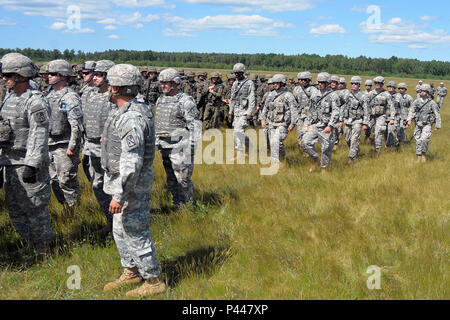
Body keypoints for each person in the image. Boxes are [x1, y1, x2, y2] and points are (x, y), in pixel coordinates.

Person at [102, 63, 165, 297]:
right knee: (120, 230)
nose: (107, 87)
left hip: (131, 186)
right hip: (123, 182)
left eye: (110, 83)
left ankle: (153, 280)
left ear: (117, 87)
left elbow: (132, 161)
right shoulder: (125, 111)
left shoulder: (132, 118)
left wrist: (120, 194)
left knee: (135, 230)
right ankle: (131, 271)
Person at [0, 52, 55, 255]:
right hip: (9, 162)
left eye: (8, 75)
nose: (4, 79)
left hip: (27, 164)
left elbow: (38, 134)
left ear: (21, 76)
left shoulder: (35, 102)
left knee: (35, 208)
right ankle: (30, 244)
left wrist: (31, 165)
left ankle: (43, 248)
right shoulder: (9, 99)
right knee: (14, 208)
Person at [154, 68, 201, 206]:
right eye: (161, 83)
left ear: (175, 83)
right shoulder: (160, 100)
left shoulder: (185, 101)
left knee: (183, 180)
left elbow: (195, 124)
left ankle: (187, 207)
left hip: (180, 148)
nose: (162, 85)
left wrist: (191, 147)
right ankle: (177, 203)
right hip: (164, 147)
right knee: (171, 179)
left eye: (166, 83)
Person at [81, 60, 115, 234]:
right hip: (90, 146)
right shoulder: (89, 94)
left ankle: (116, 224)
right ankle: (110, 220)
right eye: (94, 74)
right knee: (97, 185)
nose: (94, 77)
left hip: (108, 149)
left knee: (109, 185)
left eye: (99, 74)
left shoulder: (114, 97)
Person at [46, 59, 83, 215]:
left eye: (52, 74)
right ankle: (65, 207)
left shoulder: (70, 97)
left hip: (64, 145)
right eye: (48, 74)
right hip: (49, 144)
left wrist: (72, 147)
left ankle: (74, 211)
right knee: (53, 181)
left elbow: (77, 125)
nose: (48, 76)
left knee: (66, 180)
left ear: (62, 76)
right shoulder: (49, 95)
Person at [302, 72, 340, 171]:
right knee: (305, 142)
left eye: (322, 82)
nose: (319, 84)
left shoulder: (333, 95)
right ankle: (316, 159)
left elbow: (336, 111)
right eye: (318, 82)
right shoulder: (315, 94)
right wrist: (309, 123)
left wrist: (330, 126)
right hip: (315, 124)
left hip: (326, 126)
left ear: (327, 83)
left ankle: (324, 168)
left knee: (326, 148)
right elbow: (310, 109)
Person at [260, 74, 296, 161]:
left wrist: (292, 124)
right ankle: (276, 162)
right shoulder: (270, 95)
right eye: (274, 83)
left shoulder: (288, 95)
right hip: (272, 123)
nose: (275, 84)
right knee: (272, 144)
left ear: (282, 83)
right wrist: (263, 120)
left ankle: (282, 158)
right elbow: (265, 108)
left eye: (277, 83)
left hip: (283, 124)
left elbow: (294, 110)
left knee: (276, 142)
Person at [338, 76, 369, 163]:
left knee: (355, 139)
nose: (354, 85)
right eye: (352, 83)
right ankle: (356, 149)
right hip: (348, 120)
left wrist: (365, 123)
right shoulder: (347, 95)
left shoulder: (363, 96)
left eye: (356, 84)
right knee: (347, 138)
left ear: (359, 85)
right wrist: (341, 120)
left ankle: (351, 158)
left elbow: (366, 110)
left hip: (358, 121)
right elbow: (343, 107)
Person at [407, 84, 441, 162]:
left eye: (424, 91)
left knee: (424, 139)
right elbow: (412, 110)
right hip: (418, 123)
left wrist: (437, 125)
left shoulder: (432, 103)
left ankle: (423, 154)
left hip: (427, 124)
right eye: (421, 91)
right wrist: (409, 120)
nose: (423, 92)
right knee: (418, 140)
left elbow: (437, 114)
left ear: (428, 92)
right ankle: (419, 156)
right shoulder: (417, 101)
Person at [227, 63, 256, 155]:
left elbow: (252, 98)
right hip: (236, 111)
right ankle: (247, 147)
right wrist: (230, 112)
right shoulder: (235, 83)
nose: (236, 75)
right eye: (235, 73)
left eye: (238, 73)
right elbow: (232, 99)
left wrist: (249, 112)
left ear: (243, 72)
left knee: (238, 130)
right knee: (236, 133)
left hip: (245, 111)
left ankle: (241, 151)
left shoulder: (249, 83)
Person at [366, 76, 396, 154]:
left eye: (379, 83)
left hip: (381, 116)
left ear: (382, 84)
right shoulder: (371, 94)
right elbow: (366, 106)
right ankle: (375, 144)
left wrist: (392, 118)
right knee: (372, 132)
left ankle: (378, 150)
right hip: (372, 117)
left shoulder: (386, 94)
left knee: (378, 132)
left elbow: (392, 107)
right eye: (376, 83)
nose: (377, 84)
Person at [292, 71, 318, 154]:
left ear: (309, 80)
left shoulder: (313, 90)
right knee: (299, 134)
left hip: (309, 116)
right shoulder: (296, 89)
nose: (302, 81)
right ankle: (303, 152)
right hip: (299, 115)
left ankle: (309, 152)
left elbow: (315, 103)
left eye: (304, 80)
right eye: (301, 80)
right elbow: (294, 102)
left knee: (306, 134)